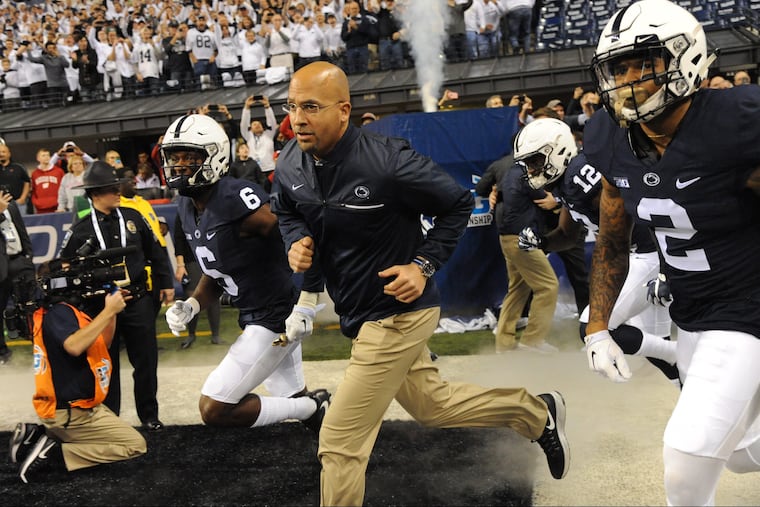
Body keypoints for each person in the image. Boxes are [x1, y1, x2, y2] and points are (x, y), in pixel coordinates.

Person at [271, 62, 570, 506]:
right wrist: (297, 240)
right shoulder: (292, 159)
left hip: (398, 311)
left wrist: (422, 265)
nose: (298, 118)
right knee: (435, 406)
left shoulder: (388, 161)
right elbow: (288, 209)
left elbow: (457, 205)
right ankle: (536, 411)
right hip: (359, 310)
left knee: (339, 441)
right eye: (293, 106)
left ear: (344, 111)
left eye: (311, 107)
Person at [584, 0, 760, 504]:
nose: (630, 80)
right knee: (742, 453)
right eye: (619, 68)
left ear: (684, 60)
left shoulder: (736, 122)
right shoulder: (611, 139)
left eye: (644, 63)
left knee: (685, 462)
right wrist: (597, 327)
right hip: (691, 314)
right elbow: (613, 242)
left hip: (746, 307)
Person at [160, 113, 331, 432]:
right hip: (257, 313)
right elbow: (216, 270)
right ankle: (327, 428)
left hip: (275, 317)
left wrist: (306, 301)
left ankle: (314, 405)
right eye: (174, 157)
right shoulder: (186, 205)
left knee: (215, 408)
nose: (179, 165)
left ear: (214, 155)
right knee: (293, 399)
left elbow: (302, 238)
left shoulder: (236, 197)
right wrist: (194, 305)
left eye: (189, 157)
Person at [514, 118, 677, 382]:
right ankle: (689, 378)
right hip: (638, 255)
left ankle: (682, 354)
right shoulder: (565, 183)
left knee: (593, 327)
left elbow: (644, 210)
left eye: (534, 161)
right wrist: (542, 242)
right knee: (662, 356)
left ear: (556, 151)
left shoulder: (580, 174)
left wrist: (666, 270)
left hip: (648, 255)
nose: (531, 170)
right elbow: (567, 236)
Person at [59, 161, 174, 432]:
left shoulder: (134, 218)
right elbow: (66, 266)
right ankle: (111, 419)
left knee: (145, 361)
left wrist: (166, 283)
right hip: (101, 307)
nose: (119, 191)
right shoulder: (80, 229)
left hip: (137, 299)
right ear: (96, 194)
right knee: (105, 363)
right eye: (112, 188)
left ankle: (149, 415)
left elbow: (156, 251)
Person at [11, 261, 146, 484]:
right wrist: (109, 310)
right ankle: (54, 454)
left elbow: (103, 341)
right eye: (69, 272)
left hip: (80, 406)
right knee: (135, 445)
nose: (80, 276)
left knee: (119, 438)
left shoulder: (65, 311)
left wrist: (109, 311)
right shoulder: (58, 312)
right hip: (72, 413)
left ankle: (36, 436)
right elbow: (74, 346)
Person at [492, 125, 564, 354]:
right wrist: (560, 200)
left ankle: (503, 345)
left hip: (509, 236)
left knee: (518, 290)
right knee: (548, 286)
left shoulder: (512, 170)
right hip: (522, 237)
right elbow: (546, 201)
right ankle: (532, 341)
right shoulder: (525, 173)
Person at [172, 212, 221, 349]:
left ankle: (215, 334)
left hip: (211, 257)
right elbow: (179, 238)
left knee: (213, 295)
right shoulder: (183, 213)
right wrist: (180, 265)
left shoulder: (212, 209)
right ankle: (191, 334)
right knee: (192, 295)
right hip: (191, 259)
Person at [0, 189, 34, 361]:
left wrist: (28, 255)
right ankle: (2, 352)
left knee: (32, 304)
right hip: (1, 264)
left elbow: (21, 228)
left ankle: (38, 342)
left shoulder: (10, 202)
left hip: (19, 260)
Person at [240, 95, 279, 174]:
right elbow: (243, 124)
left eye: (259, 124)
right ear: (250, 128)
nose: (257, 125)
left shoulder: (268, 135)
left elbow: (272, 122)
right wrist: (247, 107)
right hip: (254, 170)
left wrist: (267, 106)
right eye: (254, 124)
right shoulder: (249, 136)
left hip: (270, 169)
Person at [30, 148, 65, 214]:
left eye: (48, 155)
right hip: (40, 208)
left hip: (57, 207)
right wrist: (36, 202)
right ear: (38, 158)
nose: (46, 157)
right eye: (43, 155)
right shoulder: (34, 174)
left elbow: (64, 188)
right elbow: (33, 190)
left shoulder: (59, 171)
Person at [0, 143, 31, 213]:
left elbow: (27, 182)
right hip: (1, 205)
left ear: (9, 154)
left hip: (18, 204)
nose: (1, 154)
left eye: (3, 152)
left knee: (21, 222)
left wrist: (23, 198)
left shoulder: (18, 167)